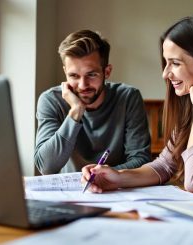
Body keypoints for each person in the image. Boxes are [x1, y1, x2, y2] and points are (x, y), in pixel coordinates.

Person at [81, 12, 193, 193]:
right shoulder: (192, 100)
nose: (165, 74)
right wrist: (117, 177)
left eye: (175, 63)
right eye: (166, 62)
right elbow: (164, 165)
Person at [34, 30, 151, 174]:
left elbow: (141, 160)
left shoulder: (128, 97)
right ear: (65, 72)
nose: (83, 85)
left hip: (117, 189)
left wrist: (101, 176)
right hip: (71, 194)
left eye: (91, 74)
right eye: (74, 76)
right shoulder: (51, 100)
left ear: (107, 72)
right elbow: (46, 166)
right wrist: (76, 111)